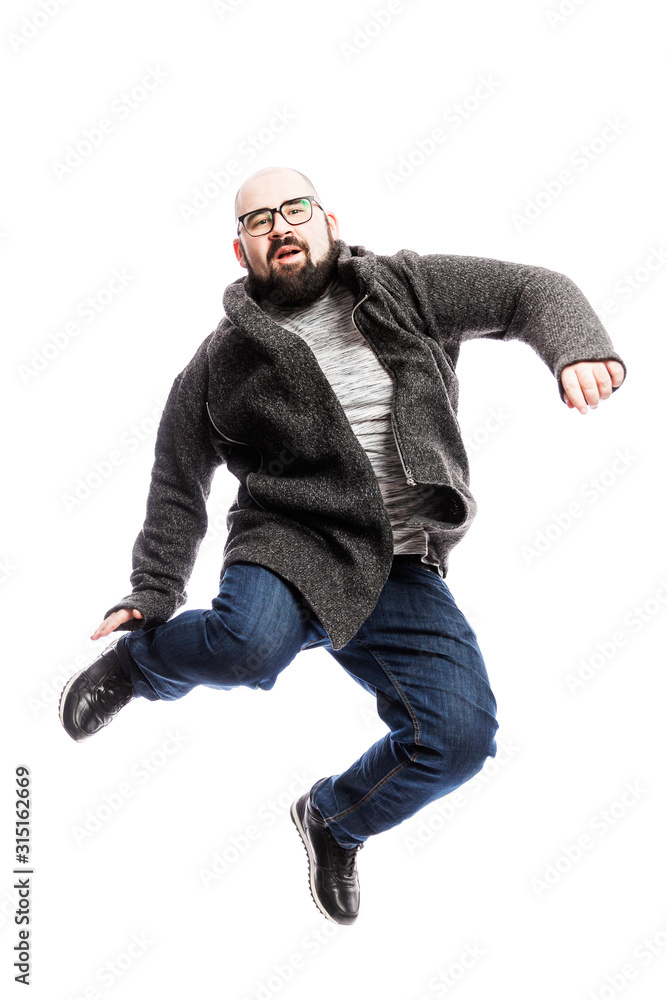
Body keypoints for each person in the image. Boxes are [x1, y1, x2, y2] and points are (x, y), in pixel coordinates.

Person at [59, 165, 627, 925]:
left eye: (293, 210)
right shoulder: (220, 361)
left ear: (329, 220)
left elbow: (532, 290)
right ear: (242, 252)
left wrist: (574, 348)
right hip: (290, 538)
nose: (280, 228)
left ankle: (334, 818)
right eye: (259, 222)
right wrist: (152, 594)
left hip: (397, 561)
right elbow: (176, 480)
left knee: (458, 738)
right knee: (248, 644)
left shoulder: (404, 288)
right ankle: (140, 666)